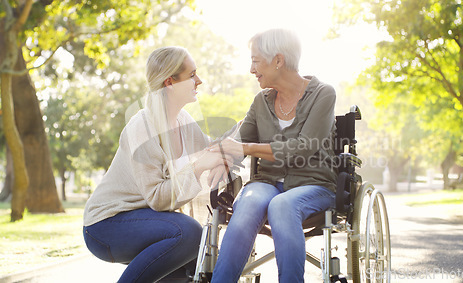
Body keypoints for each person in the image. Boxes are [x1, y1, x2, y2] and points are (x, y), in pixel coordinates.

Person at [83, 46, 231, 283]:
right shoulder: (142, 127)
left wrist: (248, 131)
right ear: (169, 83)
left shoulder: (182, 120)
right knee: (189, 233)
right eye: (192, 75)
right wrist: (200, 165)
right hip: (106, 226)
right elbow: (157, 198)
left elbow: (212, 148)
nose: (199, 81)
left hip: (145, 220)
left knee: (196, 260)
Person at [210, 29, 338, 283]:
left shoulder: (324, 94)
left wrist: (247, 149)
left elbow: (303, 147)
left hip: (313, 184)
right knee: (246, 203)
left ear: (278, 60)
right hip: (266, 183)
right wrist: (222, 159)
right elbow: (238, 143)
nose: (251, 69)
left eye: (255, 61)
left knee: (283, 204)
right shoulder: (261, 101)